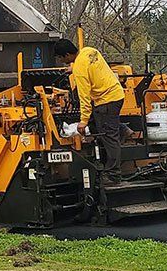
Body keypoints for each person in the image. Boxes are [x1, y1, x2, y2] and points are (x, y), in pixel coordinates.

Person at [54, 38, 126, 184]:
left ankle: (113, 174)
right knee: (98, 126)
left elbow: (84, 97)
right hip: (117, 95)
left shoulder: (80, 70)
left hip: (106, 101)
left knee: (109, 136)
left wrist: (83, 121)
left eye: (62, 58)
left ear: (67, 55)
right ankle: (123, 129)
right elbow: (90, 67)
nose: (62, 61)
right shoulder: (89, 51)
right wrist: (74, 68)